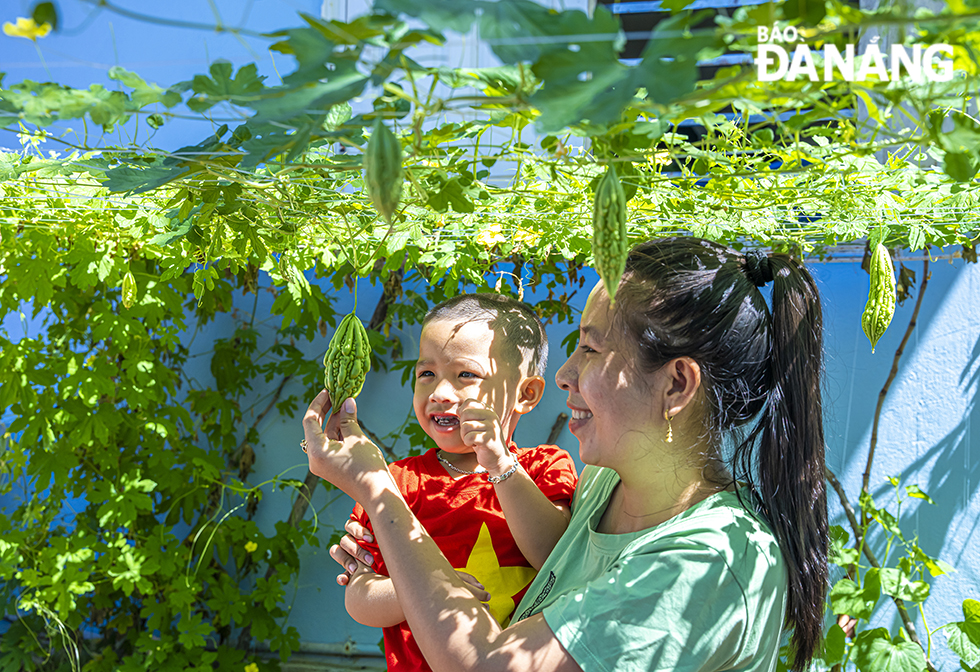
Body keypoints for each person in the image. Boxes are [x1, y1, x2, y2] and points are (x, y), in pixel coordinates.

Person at [305, 237, 828, 672]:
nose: (564, 374)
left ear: (676, 384)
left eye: (592, 349)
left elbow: (487, 666)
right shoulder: (605, 484)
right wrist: (393, 558)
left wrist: (379, 495)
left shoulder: (707, 561)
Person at [339, 293, 578, 672]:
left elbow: (554, 556)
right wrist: (431, 589)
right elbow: (359, 596)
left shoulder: (541, 466)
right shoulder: (396, 482)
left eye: (465, 374)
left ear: (525, 394)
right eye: (426, 374)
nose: (439, 393)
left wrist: (499, 462)